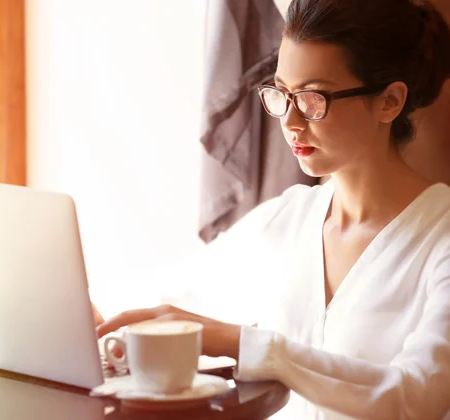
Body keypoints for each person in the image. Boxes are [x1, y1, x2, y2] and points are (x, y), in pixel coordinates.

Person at [95, 0, 450, 418]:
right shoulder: (286, 219)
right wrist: (88, 316)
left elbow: (417, 396)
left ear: (389, 101)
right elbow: (167, 306)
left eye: (313, 98)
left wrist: (248, 345)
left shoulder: (440, 238)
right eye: (281, 93)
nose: (291, 122)